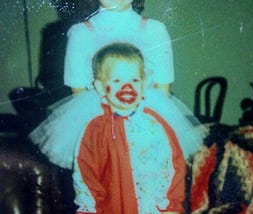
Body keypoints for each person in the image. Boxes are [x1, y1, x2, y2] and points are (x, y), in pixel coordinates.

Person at [30, 0, 205, 169]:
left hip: (146, 125)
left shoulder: (154, 30)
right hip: (101, 126)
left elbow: (163, 91)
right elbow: (79, 94)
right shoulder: (80, 33)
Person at [72, 42, 186, 213]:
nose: (127, 87)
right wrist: (88, 209)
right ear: (101, 87)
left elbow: (173, 165)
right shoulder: (94, 130)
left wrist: (171, 206)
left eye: (134, 79)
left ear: (144, 84)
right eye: (117, 80)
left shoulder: (155, 125)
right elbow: (84, 175)